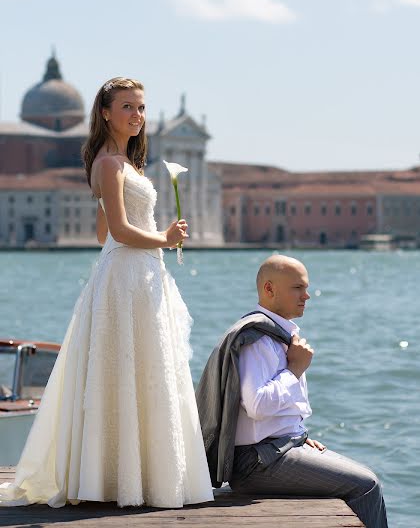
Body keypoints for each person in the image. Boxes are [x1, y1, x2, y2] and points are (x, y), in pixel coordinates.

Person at [0, 77, 213, 508]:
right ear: (104, 112)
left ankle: (125, 476)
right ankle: (127, 478)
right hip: (128, 276)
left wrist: (152, 236)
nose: (136, 115)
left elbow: (102, 233)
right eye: (127, 108)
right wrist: (164, 238)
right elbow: (117, 231)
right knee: (130, 371)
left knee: (137, 371)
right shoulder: (111, 164)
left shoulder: (122, 164)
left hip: (131, 275)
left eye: (140, 108)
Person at [196, 254, 388, 528]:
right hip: (258, 464)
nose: (307, 296)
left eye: (306, 287)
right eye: (298, 288)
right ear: (269, 289)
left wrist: (294, 436)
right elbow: (258, 405)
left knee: (364, 478)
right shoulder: (257, 341)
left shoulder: (272, 335)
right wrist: (294, 370)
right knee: (366, 485)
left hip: (272, 451)